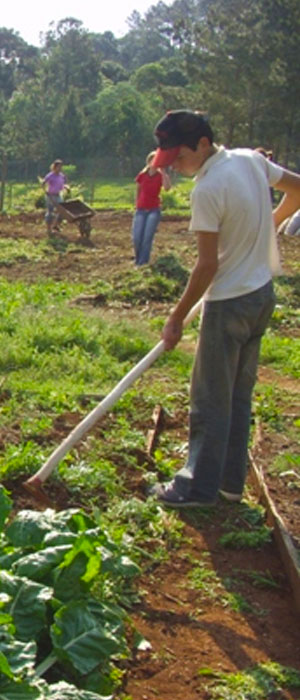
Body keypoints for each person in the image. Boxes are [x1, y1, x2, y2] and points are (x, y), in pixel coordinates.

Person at [147, 109, 300, 507]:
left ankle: (197, 487)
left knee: (210, 398)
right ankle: (230, 483)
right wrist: (268, 223)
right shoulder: (251, 159)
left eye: (179, 158)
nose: (176, 168)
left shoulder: (208, 188)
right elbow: (298, 189)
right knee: (237, 395)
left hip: (228, 302)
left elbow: (207, 266)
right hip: (261, 297)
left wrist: (176, 317)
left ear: (202, 143)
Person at [132, 151, 172, 265]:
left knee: (147, 237)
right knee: (137, 237)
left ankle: (142, 263)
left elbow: (167, 188)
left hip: (153, 210)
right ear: (148, 162)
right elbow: (138, 189)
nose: (155, 163)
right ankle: (137, 259)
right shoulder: (142, 175)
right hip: (141, 209)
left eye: (157, 161)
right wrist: (136, 203)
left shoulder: (160, 176)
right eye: (153, 160)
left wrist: (163, 171)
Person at [41, 159, 67, 235]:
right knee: (50, 211)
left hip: (58, 195)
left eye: (61, 167)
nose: (60, 169)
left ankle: (55, 225)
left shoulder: (61, 176)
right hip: (50, 196)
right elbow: (43, 184)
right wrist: (46, 191)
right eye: (58, 167)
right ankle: (48, 229)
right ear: (54, 167)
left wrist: (65, 187)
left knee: (62, 210)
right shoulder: (50, 175)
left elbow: (61, 185)